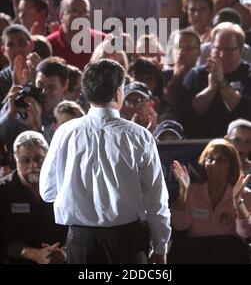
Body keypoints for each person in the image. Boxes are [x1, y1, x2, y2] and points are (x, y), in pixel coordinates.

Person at [39, 59, 171, 264]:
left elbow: (48, 192)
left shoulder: (64, 133)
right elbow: (155, 200)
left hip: (82, 242)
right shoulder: (139, 136)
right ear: (119, 92)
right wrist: (161, 245)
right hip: (127, 242)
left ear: (86, 91)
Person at [169, 138, 251, 263]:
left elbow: (246, 233)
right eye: (210, 159)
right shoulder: (191, 191)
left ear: (232, 165)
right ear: (203, 163)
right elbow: (179, 226)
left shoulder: (245, 194)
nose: (214, 164)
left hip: (229, 255)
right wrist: (183, 192)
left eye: (221, 160)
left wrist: (237, 200)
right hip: (195, 255)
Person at [0, 131, 67, 263]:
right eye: (25, 161)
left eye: (38, 159)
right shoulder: (3, 191)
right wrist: (35, 255)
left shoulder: (64, 186)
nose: (33, 166)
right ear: (15, 160)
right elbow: (3, 239)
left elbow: (76, 228)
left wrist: (64, 251)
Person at [226, 118, 251, 189]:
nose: (242, 146)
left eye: (248, 142)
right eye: (237, 140)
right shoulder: (214, 168)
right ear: (227, 140)